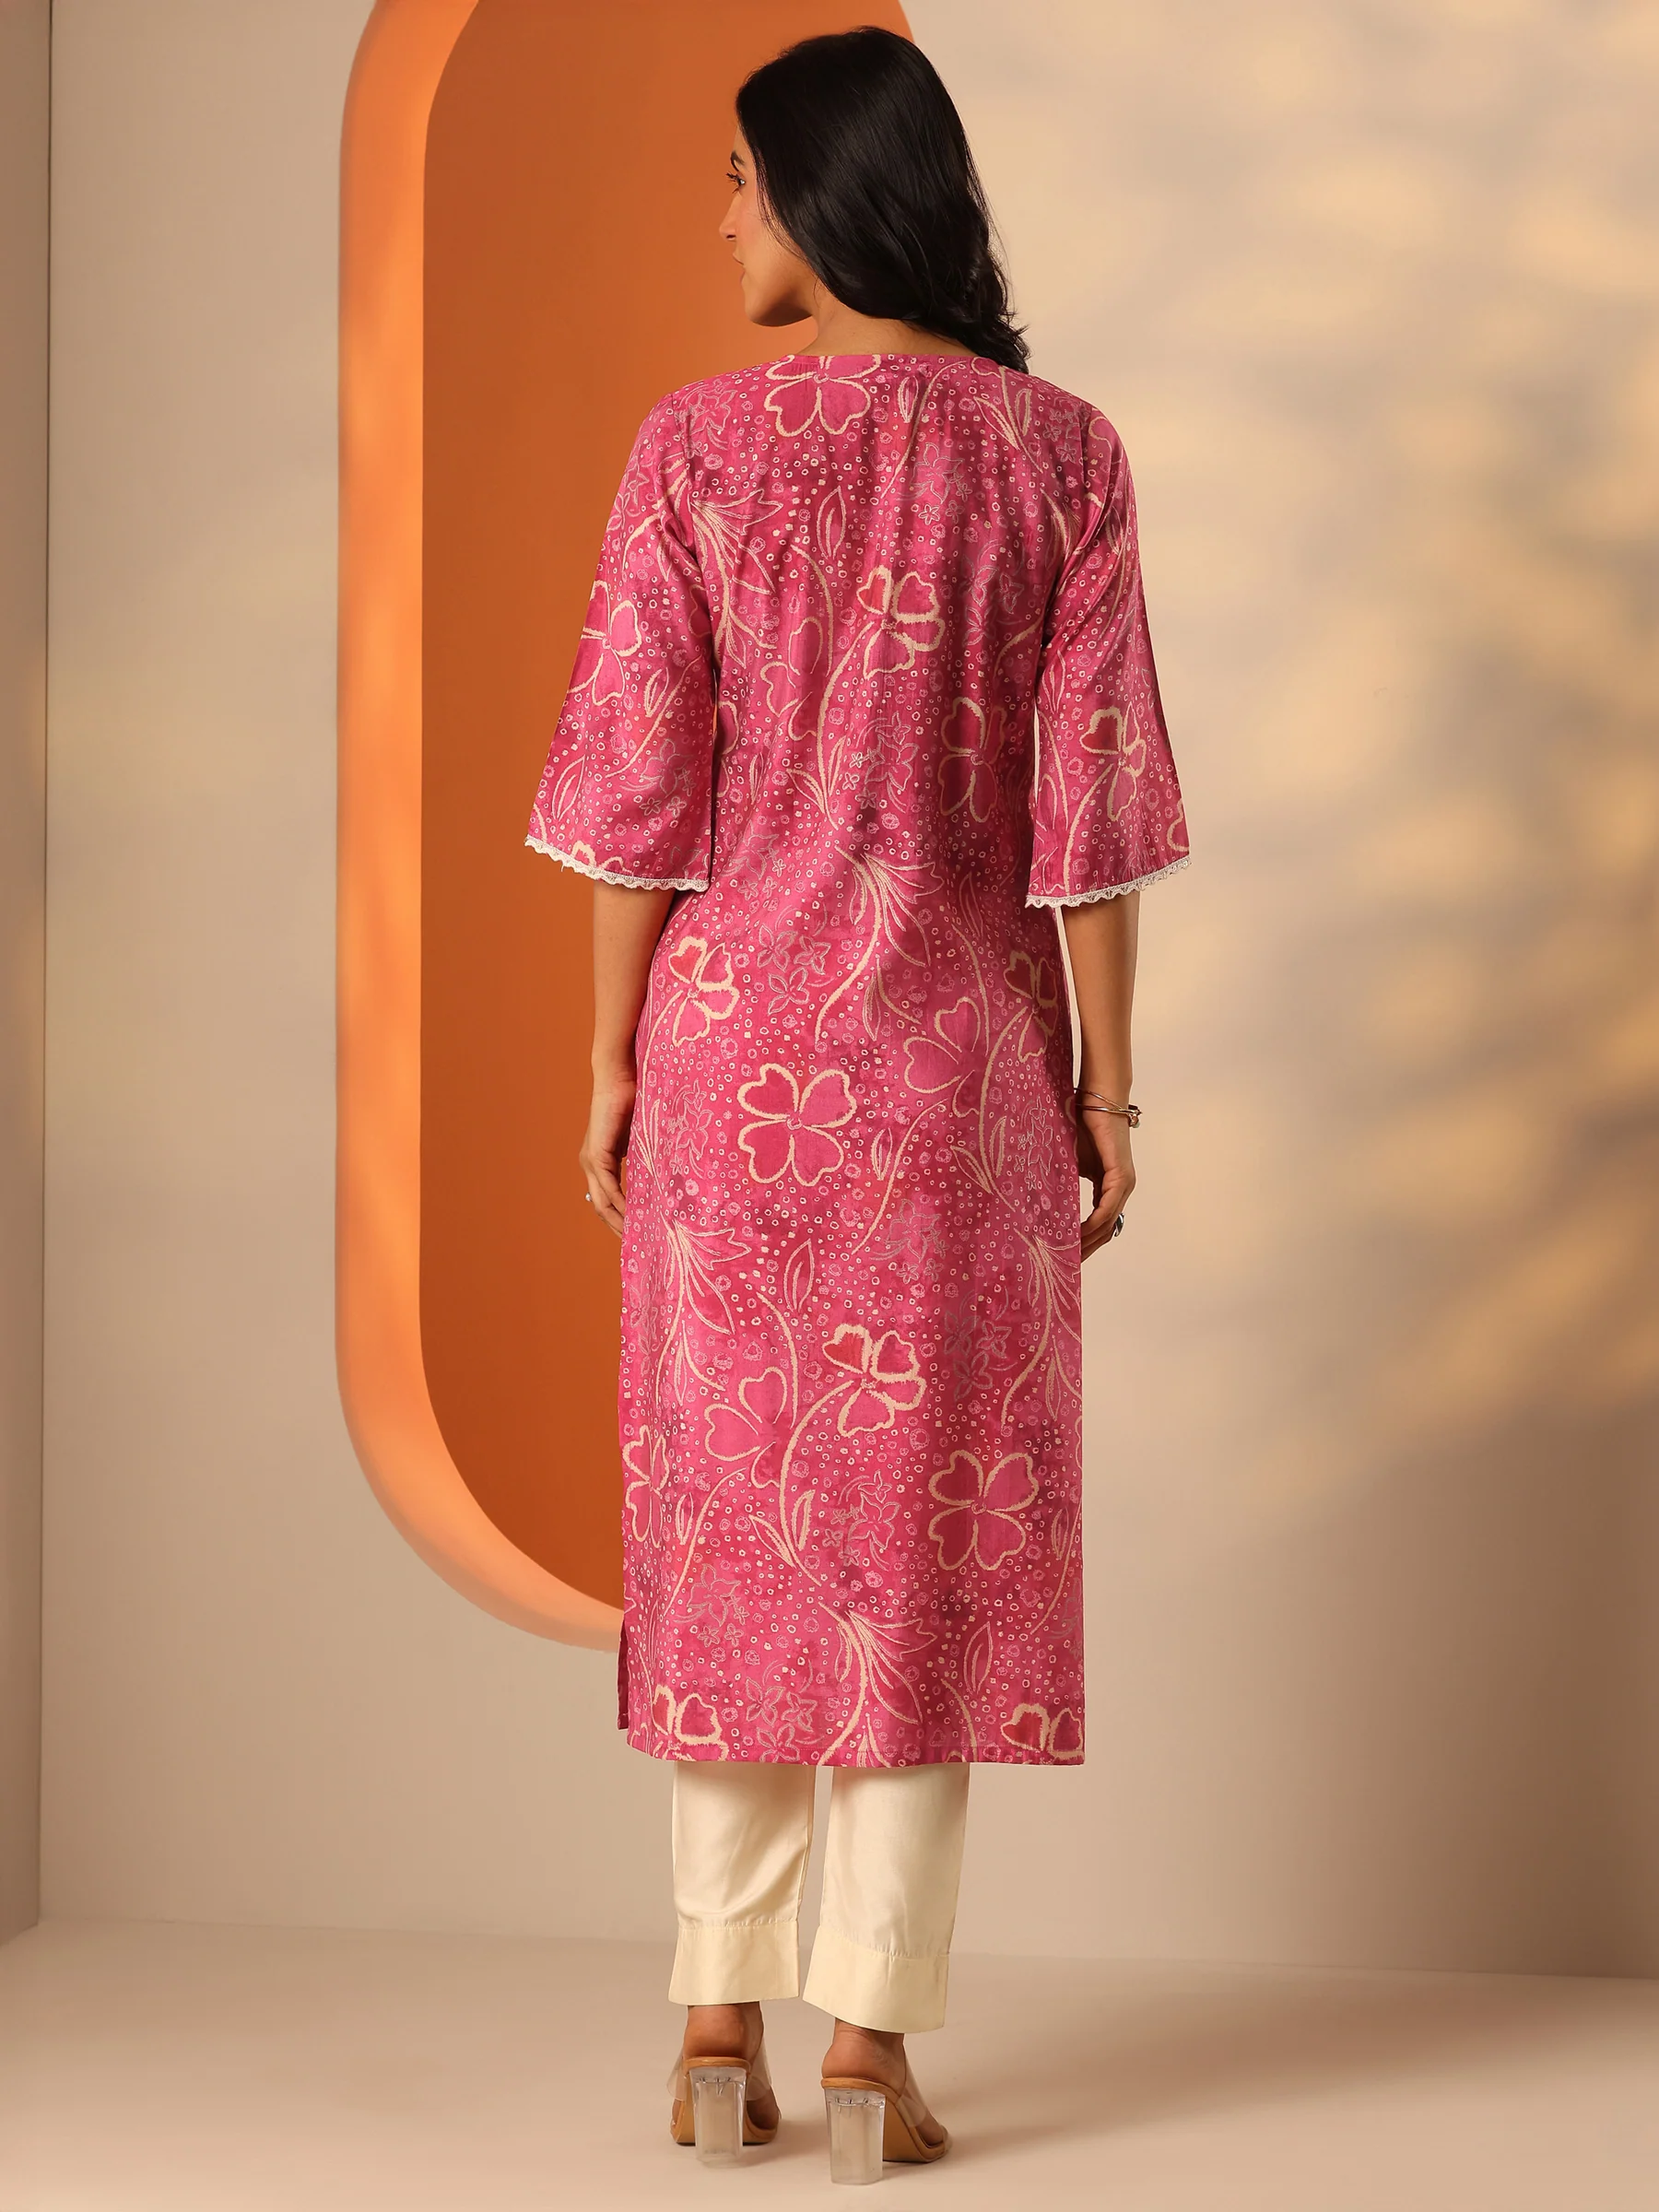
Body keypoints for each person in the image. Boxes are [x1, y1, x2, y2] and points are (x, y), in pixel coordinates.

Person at [524, 23, 1188, 2182]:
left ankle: (711, 2024)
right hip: (958, 1080)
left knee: (732, 1535)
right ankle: (872, 2048)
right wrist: (1110, 1091)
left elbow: (635, 799)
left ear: (825, 188)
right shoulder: (1063, 459)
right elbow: (1091, 817)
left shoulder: (697, 450)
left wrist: (612, 1060)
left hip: (737, 1070)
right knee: (922, 1552)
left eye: (739, 177)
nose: (718, 214)